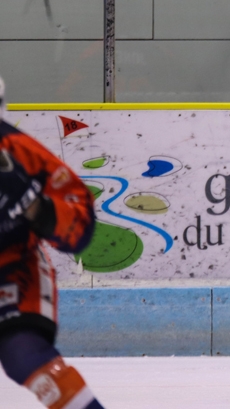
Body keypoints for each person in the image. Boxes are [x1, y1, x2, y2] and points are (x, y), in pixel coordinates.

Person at [0, 76, 105, 409]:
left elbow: (80, 229)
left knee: (23, 351)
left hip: (12, 269)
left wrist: (36, 207)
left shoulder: (21, 153)